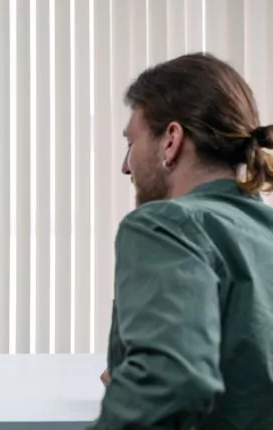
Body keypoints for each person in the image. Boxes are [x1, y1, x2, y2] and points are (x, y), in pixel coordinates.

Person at [89, 53, 273, 429]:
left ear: (171, 140)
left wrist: (146, 379)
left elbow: (171, 380)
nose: (127, 165)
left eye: (132, 142)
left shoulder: (166, 224)